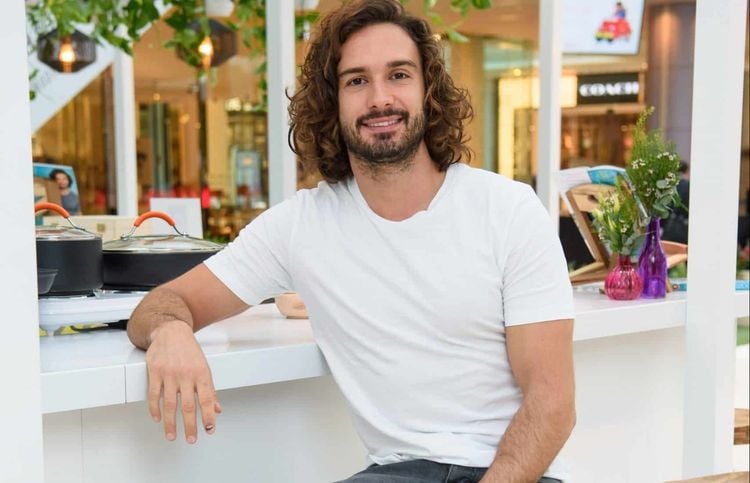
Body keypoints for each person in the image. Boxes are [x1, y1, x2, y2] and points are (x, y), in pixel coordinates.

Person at [126, 1, 576, 482]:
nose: (380, 98)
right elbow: (161, 305)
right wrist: (170, 332)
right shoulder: (301, 226)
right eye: (357, 80)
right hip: (400, 472)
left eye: (399, 75)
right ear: (332, 101)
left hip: (511, 471)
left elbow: (552, 404)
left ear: (428, 90)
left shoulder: (508, 210)